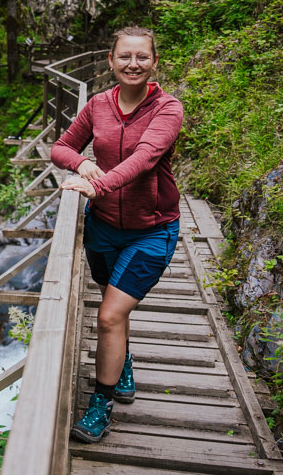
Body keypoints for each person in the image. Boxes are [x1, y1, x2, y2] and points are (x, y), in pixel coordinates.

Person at [49, 26, 183, 443]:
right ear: (111, 61)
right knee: (113, 305)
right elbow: (60, 147)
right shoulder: (98, 105)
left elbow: (145, 158)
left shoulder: (167, 108)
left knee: (108, 315)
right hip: (103, 228)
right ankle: (121, 360)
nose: (133, 64)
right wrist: (81, 165)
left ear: (154, 62)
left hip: (152, 229)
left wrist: (99, 183)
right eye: (124, 56)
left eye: (142, 57)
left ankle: (100, 404)